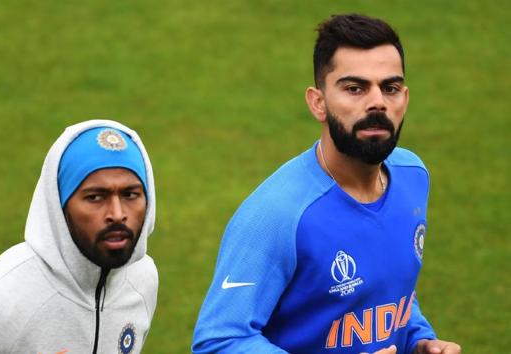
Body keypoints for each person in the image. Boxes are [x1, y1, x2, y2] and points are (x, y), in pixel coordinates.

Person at [192, 14, 461, 354]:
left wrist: (418, 340)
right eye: (355, 88)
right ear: (318, 102)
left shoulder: (413, 176)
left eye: (389, 88)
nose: (377, 101)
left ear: (404, 99)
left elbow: (390, 295)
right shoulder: (277, 215)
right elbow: (218, 342)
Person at [0, 120, 158, 354]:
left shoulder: (142, 280)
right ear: (60, 206)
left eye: (130, 195)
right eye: (95, 197)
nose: (117, 214)